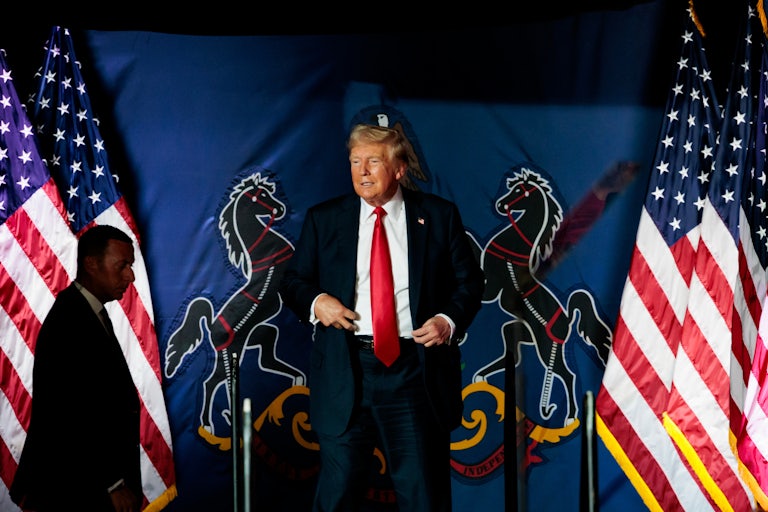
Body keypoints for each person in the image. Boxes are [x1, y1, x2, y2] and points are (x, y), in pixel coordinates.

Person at [279, 123, 484, 511]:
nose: (363, 172)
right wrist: (318, 300)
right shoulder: (326, 219)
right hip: (345, 368)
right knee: (336, 496)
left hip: (414, 373)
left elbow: (469, 283)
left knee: (424, 495)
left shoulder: (438, 216)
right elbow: (293, 281)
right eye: (356, 162)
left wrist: (447, 321)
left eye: (373, 161)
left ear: (400, 169)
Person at [10, 225, 141, 512]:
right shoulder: (70, 320)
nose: (130, 276)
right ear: (91, 264)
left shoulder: (86, 310)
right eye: (122, 266)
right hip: (79, 490)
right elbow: (71, 410)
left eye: (130, 266)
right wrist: (113, 483)